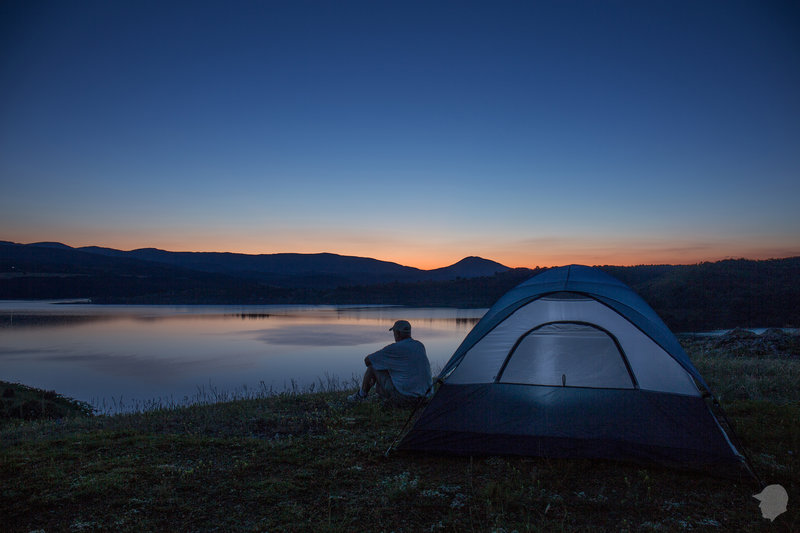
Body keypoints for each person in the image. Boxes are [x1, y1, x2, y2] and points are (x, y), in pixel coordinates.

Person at [347, 320, 431, 406]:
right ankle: (380, 396)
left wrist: (384, 362)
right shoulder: (419, 346)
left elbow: (368, 361)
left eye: (394, 333)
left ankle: (360, 396)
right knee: (389, 368)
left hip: (406, 399)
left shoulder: (395, 348)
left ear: (398, 333)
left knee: (373, 366)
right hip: (424, 397)